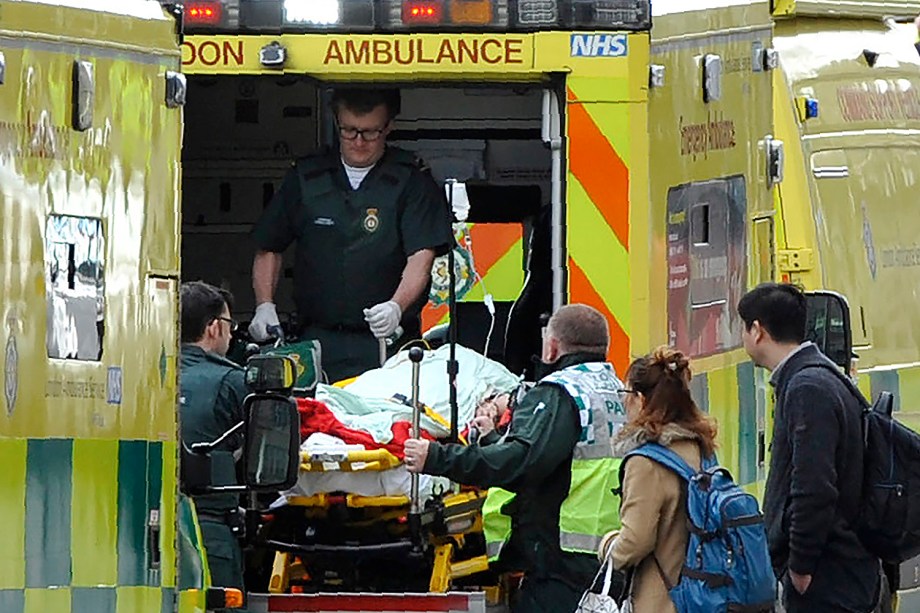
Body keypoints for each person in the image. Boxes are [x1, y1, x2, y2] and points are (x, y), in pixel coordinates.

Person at [403, 304, 626, 612]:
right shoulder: (618, 392)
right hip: (608, 553)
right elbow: (569, 456)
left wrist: (438, 457)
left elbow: (522, 461)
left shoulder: (562, 393)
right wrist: (495, 439)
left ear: (552, 347)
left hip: (562, 561)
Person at [248, 87, 453, 383]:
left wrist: (396, 306)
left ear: (388, 127)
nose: (359, 141)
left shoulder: (410, 179)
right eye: (349, 131)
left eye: (370, 133)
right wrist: (264, 305)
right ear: (336, 122)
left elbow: (421, 256)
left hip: (385, 339)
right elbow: (269, 245)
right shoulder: (307, 177)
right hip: (317, 336)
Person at [737, 282, 879, 612]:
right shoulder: (819, 377)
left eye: (743, 328)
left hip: (828, 577)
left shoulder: (807, 388)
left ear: (757, 331)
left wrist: (800, 565)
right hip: (842, 569)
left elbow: (814, 486)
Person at [597, 347, 718, 612]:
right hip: (704, 595)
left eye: (626, 394)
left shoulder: (646, 462)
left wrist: (606, 546)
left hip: (662, 600)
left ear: (640, 399)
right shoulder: (700, 447)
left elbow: (635, 542)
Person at [179, 281, 250, 610]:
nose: (233, 335)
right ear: (213, 328)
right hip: (208, 526)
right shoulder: (232, 381)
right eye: (229, 325)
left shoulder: (145, 374)